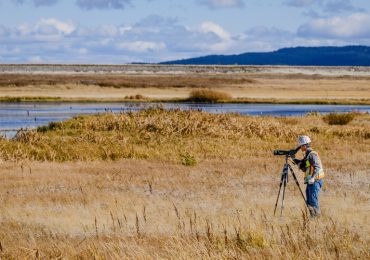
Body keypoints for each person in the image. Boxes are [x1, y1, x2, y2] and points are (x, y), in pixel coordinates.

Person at [293, 135, 325, 218]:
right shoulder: (307, 155)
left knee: (313, 200)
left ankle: (317, 218)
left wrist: (313, 177)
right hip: (310, 181)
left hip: (315, 180)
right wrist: (294, 160)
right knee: (309, 201)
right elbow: (305, 167)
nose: (300, 148)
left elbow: (317, 166)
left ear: (304, 145)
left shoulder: (312, 154)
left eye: (300, 146)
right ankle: (313, 217)